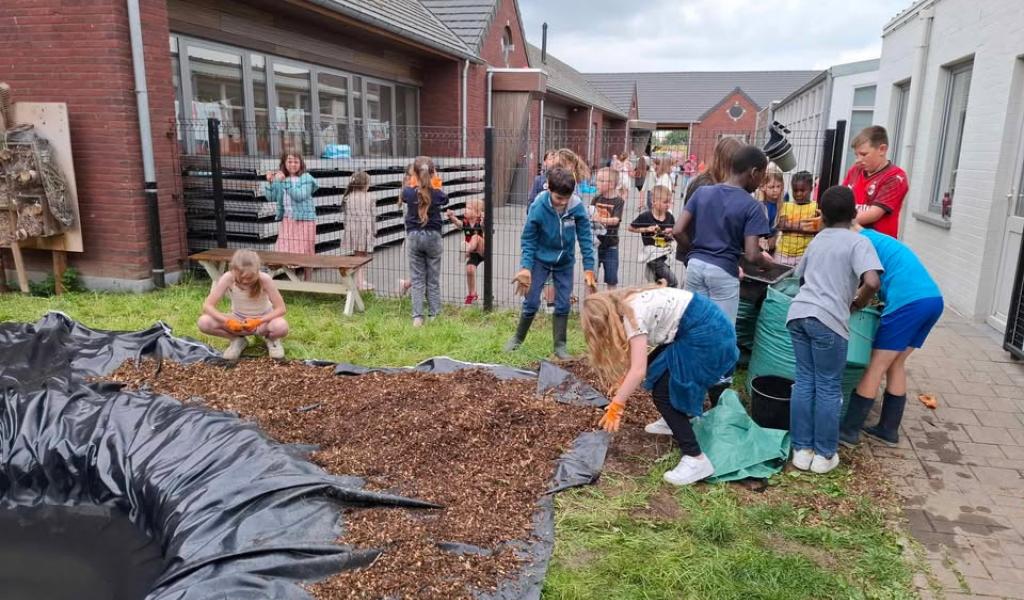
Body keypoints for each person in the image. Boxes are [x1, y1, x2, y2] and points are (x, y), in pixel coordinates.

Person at [584, 285, 738, 486]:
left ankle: (696, 459)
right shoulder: (628, 303)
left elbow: (638, 370)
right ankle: (672, 419)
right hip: (700, 323)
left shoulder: (633, 317)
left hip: (709, 333)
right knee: (657, 368)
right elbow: (640, 358)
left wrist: (617, 405)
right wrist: (624, 380)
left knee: (663, 394)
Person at [786, 187, 882, 474]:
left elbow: (799, 277)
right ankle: (825, 455)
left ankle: (802, 450)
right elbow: (873, 282)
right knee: (828, 386)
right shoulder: (858, 242)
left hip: (799, 314)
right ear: (855, 214)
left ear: (822, 216)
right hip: (828, 321)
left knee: (804, 381)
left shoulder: (817, 240)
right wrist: (857, 302)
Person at [839, 228, 943, 447]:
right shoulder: (876, 238)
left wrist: (854, 303)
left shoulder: (860, 242)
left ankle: (849, 431)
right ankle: (887, 430)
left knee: (876, 365)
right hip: (932, 300)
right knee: (896, 363)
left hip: (909, 303)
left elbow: (867, 284)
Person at [672, 145, 775, 324]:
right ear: (754, 172)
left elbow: (677, 230)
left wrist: (696, 252)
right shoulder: (752, 206)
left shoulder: (702, 192)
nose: (761, 182)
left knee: (693, 326)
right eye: (762, 176)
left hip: (695, 267)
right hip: (723, 272)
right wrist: (767, 264)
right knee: (723, 330)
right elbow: (752, 254)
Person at [506, 166, 597, 359]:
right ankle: (517, 339)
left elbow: (586, 238)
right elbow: (528, 239)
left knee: (563, 303)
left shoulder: (576, 207)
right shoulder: (538, 207)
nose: (562, 203)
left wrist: (589, 267)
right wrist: (525, 267)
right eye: (558, 198)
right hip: (540, 260)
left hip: (565, 262)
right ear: (549, 190)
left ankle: (560, 346)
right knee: (531, 301)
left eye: (566, 198)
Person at [197, 249, 289, 360]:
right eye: (241, 277)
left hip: (262, 322)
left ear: (257, 270)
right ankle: (237, 340)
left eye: (250, 277)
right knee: (204, 322)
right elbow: (208, 306)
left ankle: (271, 340)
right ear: (233, 269)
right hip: (238, 320)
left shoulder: (265, 279)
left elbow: (281, 309)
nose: (245, 281)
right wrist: (228, 321)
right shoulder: (228, 278)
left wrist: (259, 321)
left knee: (281, 326)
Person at [403, 156, 449, 327]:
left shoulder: (408, 192)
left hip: (414, 236)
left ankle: (417, 317)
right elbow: (445, 199)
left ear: (414, 173)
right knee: (433, 278)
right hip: (433, 237)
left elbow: (406, 195)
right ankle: (435, 314)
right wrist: (435, 181)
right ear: (433, 172)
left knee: (417, 279)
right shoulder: (437, 193)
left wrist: (415, 180)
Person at [842, 126, 909, 238]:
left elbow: (874, 214)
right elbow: (842, 200)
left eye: (863, 154)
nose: (858, 160)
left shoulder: (895, 177)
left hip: (876, 246)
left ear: (882, 149)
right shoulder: (855, 170)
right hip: (851, 240)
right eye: (856, 155)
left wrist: (837, 221)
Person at [265, 153, 318, 279]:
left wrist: (285, 181)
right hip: (288, 219)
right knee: (285, 250)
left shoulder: (306, 178)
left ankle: (308, 280)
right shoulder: (282, 178)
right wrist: (270, 183)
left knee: (306, 250)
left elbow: (299, 196)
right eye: (289, 161)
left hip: (305, 220)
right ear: (284, 163)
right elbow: (271, 197)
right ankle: (293, 280)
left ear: (301, 163)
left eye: (296, 162)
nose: (293, 164)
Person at [630, 185, 677, 287]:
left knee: (658, 283)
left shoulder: (669, 216)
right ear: (654, 201)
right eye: (665, 202)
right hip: (653, 255)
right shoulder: (646, 216)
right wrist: (646, 229)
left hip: (665, 253)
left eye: (669, 202)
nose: (668, 205)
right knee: (672, 282)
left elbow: (674, 233)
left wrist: (671, 232)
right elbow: (631, 227)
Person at [775, 171, 821, 266]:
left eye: (802, 190)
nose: (799, 194)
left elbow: (815, 227)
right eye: (795, 191)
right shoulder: (787, 205)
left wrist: (790, 225)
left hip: (803, 254)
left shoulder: (815, 206)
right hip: (782, 252)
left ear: (811, 189)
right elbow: (782, 225)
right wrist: (804, 226)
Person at [590, 168, 625, 291]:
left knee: (611, 278)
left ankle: (612, 305)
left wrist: (599, 219)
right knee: (591, 277)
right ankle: (591, 304)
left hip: (611, 245)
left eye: (600, 180)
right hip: (595, 244)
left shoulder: (618, 201)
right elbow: (590, 215)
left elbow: (615, 220)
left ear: (611, 184)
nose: (597, 183)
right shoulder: (596, 198)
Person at [446, 198, 485, 305]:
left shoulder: (479, 221)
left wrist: (484, 221)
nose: (465, 210)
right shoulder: (466, 222)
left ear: (477, 213)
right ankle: (472, 294)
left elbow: (484, 227)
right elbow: (459, 225)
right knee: (469, 270)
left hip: (482, 249)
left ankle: (465, 250)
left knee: (476, 237)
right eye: (466, 207)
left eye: (469, 208)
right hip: (473, 253)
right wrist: (452, 217)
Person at [342, 170, 374, 291]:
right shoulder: (370, 197)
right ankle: (360, 283)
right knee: (362, 257)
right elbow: (373, 216)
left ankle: (359, 281)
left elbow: (345, 217)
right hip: (364, 231)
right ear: (365, 184)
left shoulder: (348, 197)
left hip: (352, 231)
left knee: (357, 256)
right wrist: (374, 230)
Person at [755, 166, 784, 254]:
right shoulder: (761, 204)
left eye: (778, 186)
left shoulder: (782, 202)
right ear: (762, 187)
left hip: (774, 239)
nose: (775, 190)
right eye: (771, 187)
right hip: (760, 239)